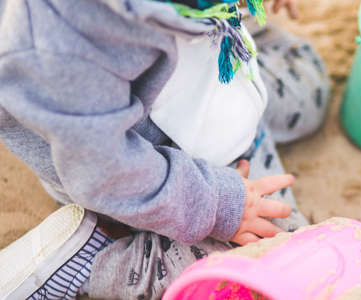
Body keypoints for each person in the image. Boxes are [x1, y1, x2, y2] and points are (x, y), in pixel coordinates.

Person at [0, 0, 329, 298]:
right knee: (279, 253)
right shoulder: (60, 41)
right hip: (156, 176)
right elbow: (107, 175)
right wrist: (218, 205)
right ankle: (93, 262)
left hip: (214, 80)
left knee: (310, 86)